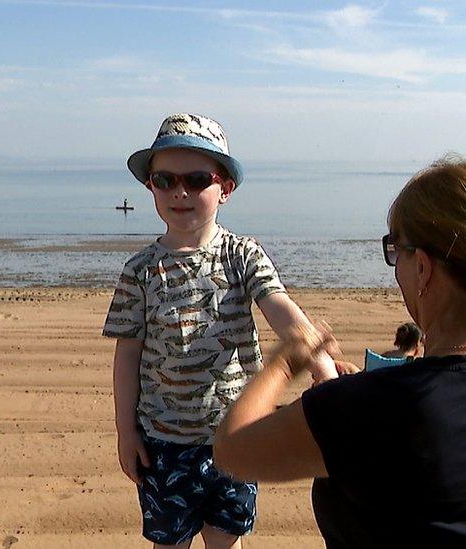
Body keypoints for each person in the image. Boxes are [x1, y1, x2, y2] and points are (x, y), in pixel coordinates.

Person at [214, 158, 466, 547]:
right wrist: (355, 397)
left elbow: (233, 449)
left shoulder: (377, 406)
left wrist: (286, 363)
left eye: (395, 250)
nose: (395, 267)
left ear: (423, 268)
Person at [103, 113, 342, 549]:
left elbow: (280, 308)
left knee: (225, 539)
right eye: (164, 179)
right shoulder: (139, 271)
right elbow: (128, 355)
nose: (180, 192)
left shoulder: (243, 255)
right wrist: (126, 431)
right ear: (150, 186)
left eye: (197, 179)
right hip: (163, 440)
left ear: (225, 188)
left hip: (237, 436)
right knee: (169, 542)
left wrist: (321, 366)